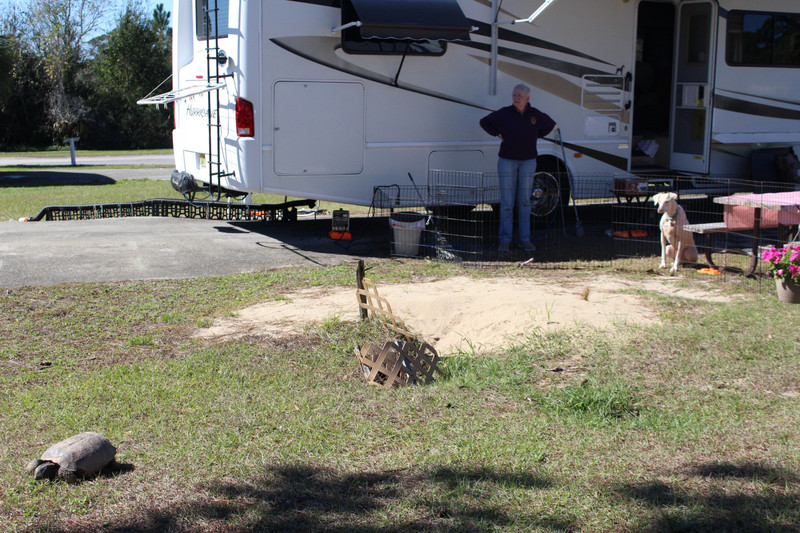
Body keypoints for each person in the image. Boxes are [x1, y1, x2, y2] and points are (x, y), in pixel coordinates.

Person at [480, 84, 556, 253]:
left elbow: (550, 124)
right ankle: (505, 240)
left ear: (527, 98)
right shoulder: (505, 113)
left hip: (528, 161)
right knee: (507, 202)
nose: (516, 98)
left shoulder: (535, 115)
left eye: (520, 95)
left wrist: (535, 134)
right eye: (515, 95)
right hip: (507, 161)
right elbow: (484, 122)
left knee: (524, 201)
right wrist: (497, 133)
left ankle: (525, 240)